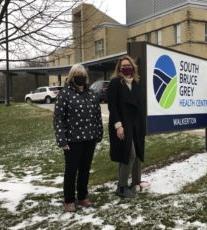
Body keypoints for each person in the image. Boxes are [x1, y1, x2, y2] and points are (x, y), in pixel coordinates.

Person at [53, 64, 103, 212]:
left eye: (82, 74)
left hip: (90, 138)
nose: (80, 77)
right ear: (71, 76)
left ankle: (82, 197)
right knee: (71, 170)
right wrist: (61, 139)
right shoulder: (65, 94)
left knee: (85, 169)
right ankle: (69, 200)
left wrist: (99, 133)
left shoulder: (92, 94)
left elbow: (97, 115)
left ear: (86, 77)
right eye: (77, 74)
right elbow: (58, 118)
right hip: (72, 140)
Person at [107, 55, 146, 198]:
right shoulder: (115, 83)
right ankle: (122, 187)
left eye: (128, 66)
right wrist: (118, 125)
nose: (126, 68)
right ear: (119, 69)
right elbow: (113, 106)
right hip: (122, 125)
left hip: (134, 125)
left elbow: (139, 105)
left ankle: (121, 184)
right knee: (130, 155)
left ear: (133, 68)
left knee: (125, 155)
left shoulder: (135, 84)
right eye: (123, 66)